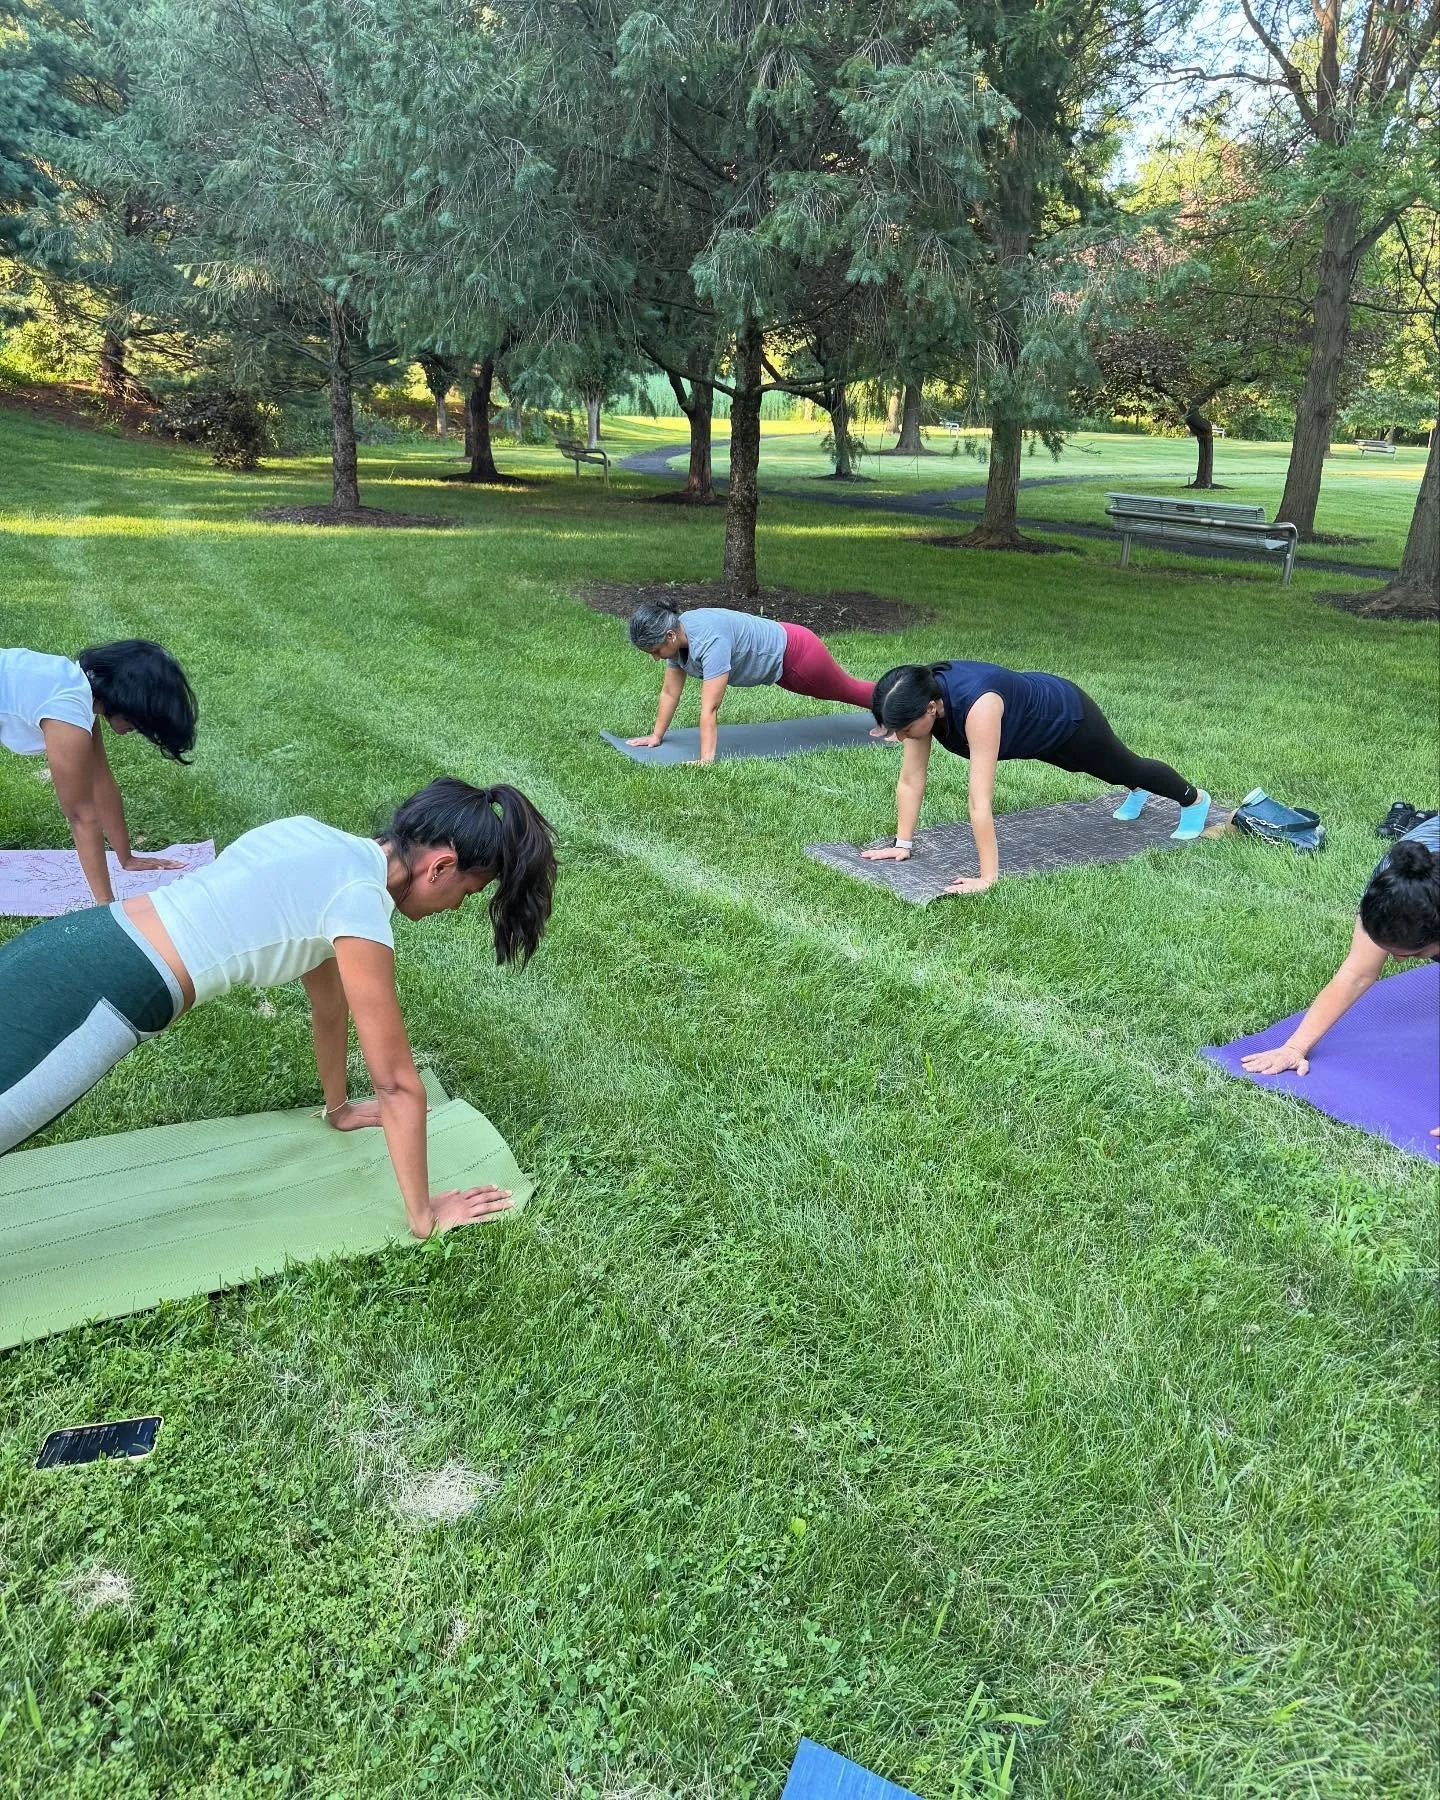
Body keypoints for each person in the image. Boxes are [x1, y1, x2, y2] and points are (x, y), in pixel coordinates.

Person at [0, 778, 558, 1236]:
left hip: (79, 938)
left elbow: (329, 1007)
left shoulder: (313, 839)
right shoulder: (358, 902)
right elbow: (395, 1082)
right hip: (114, 989)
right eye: (468, 891)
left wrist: (337, 1108)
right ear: (439, 866)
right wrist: (425, 1215)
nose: (457, 905)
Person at [860, 660, 1212, 895]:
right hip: (1028, 730)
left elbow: (979, 803)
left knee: (1122, 765)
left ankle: (1193, 799)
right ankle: (1136, 791)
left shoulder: (979, 706)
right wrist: (901, 845)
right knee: (1093, 768)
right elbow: (910, 780)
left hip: (1064, 718)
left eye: (905, 729)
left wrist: (987, 878)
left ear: (932, 707)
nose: (902, 737)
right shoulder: (919, 700)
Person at [1241, 818, 1439, 1132]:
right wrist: (1294, 1047)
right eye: (1390, 950)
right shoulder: (1389, 890)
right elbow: (1356, 974)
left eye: (1414, 954)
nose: (1400, 962)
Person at [1, 640, 198, 904]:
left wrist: (126, 858)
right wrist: (106, 909)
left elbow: (102, 782)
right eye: (143, 722)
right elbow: (81, 816)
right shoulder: (67, 710)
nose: (139, 730)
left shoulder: (77, 692)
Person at [625, 602, 883, 762]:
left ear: (669, 635)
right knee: (843, 690)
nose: (655, 658)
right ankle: (894, 706)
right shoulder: (679, 635)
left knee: (845, 690)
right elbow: (670, 693)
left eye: (655, 650)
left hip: (798, 655)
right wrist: (656, 736)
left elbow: (710, 708)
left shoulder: (709, 642)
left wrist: (706, 760)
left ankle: (903, 711)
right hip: (782, 663)